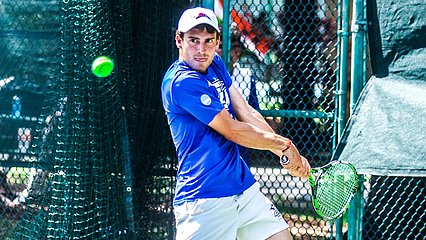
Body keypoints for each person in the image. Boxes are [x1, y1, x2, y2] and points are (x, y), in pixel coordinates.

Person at [161, 7, 311, 240]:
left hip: (242, 187)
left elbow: (246, 111)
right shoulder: (181, 83)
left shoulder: (215, 64)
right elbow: (232, 130)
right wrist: (284, 145)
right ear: (179, 40)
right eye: (193, 40)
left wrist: (284, 153)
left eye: (208, 41)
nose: (201, 50)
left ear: (217, 41)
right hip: (205, 198)